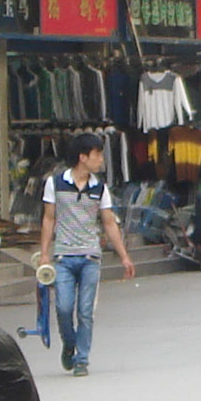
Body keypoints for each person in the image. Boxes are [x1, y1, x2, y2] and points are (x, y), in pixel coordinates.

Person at [39, 131, 135, 375]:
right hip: (63, 257)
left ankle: (82, 360)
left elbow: (109, 223)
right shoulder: (55, 183)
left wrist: (123, 255)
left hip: (91, 257)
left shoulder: (100, 189)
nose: (101, 160)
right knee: (63, 307)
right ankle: (69, 345)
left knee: (85, 311)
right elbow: (49, 219)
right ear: (83, 157)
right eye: (98, 155)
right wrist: (44, 253)